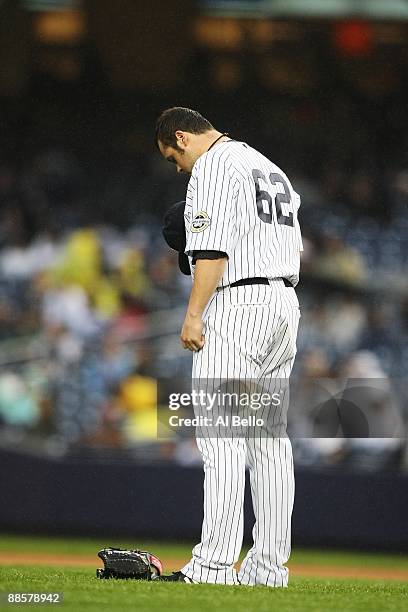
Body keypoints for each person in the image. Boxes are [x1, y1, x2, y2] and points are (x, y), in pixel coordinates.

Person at [155, 107, 302, 586]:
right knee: (270, 443)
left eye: (174, 156)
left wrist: (194, 313)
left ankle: (214, 564)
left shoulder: (213, 164)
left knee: (222, 440)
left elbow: (214, 251)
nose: (178, 167)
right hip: (283, 305)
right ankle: (268, 570)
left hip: (239, 305)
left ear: (182, 136)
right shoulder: (267, 165)